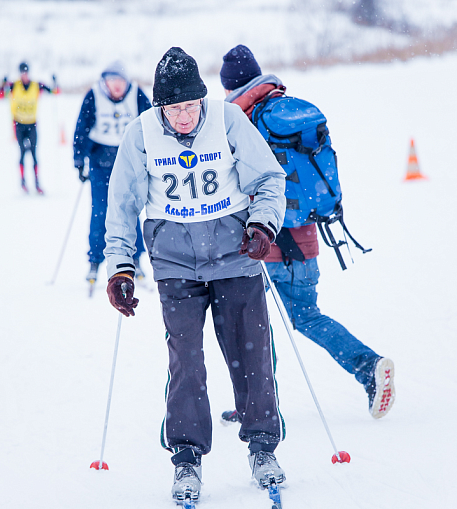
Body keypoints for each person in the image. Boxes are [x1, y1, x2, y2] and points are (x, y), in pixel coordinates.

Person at [104, 47, 287, 503]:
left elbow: (269, 179)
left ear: (201, 101)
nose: (183, 117)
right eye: (173, 108)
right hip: (175, 267)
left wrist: (263, 226)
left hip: (235, 258)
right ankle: (187, 459)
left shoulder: (226, 120)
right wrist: (121, 268)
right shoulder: (140, 134)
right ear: (159, 107)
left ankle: (263, 448)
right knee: (186, 364)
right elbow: (122, 208)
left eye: (190, 106)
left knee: (253, 359)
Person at [218, 45, 395, 423]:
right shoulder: (291, 111)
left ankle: (257, 404)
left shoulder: (239, 122)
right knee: (309, 317)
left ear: (229, 86)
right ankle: (369, 366)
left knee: (253, 327)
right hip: (305, 240)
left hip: (260, 245)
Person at [73, 61, 151, 284]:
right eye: (112, 81)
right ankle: (95, 259)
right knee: (100, 210)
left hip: (128, 161)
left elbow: (150, 125)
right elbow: (82, 127)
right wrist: (79, 159)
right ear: (105, 82)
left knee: (129, 209)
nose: (117, 86)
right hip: (100, 162)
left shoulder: (136, 94)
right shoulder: (93, 95)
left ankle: (135, 258)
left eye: (121, 81)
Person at [0, 62, 55, 194]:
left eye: (26, 72)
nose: (24, 75)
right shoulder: (13, 86)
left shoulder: (36, 85)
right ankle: (23, 182)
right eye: (22, 72)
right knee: (22, 152)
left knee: (34, 154)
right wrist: (3, 84)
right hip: (18, 124)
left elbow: (54, 91)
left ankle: (37, 183)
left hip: (32, 124)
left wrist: (55, 83)